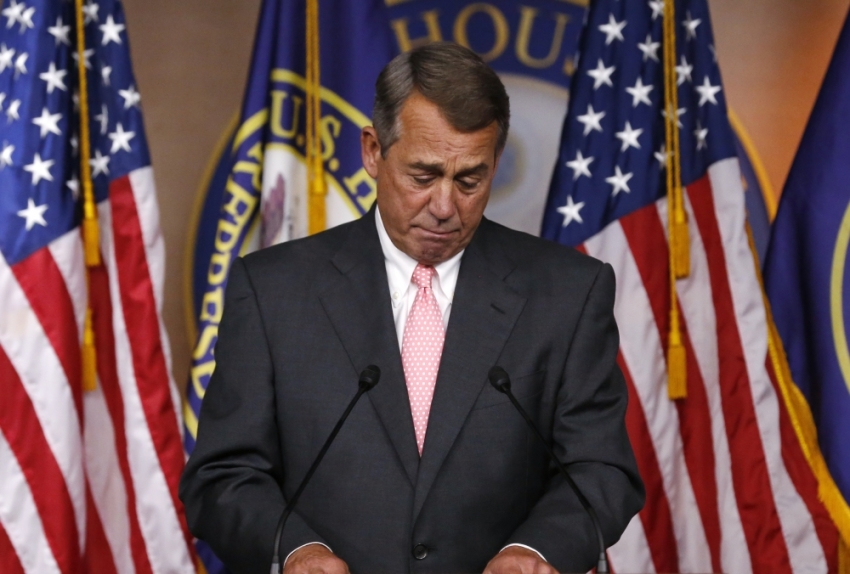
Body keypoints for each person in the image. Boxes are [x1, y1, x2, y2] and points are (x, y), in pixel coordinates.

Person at [179, 42, 644, 574]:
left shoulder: (568, 292)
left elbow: (600, 468)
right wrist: (294, 551)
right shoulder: (272, 291)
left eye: (470, 179)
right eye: (423, 177)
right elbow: (223, 474)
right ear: (374, 151)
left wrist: (537, 552)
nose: (445, 207)